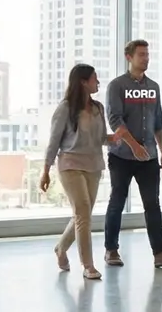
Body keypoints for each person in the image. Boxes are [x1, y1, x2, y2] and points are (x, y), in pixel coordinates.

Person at [103, 39, 162, 268]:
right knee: (117, 201)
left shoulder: (153, 87)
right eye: (141, 55)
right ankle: (111, 250)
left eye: (147, 54)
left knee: (152, 204)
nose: (146, 58)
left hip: (148, 157)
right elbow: (115, 119)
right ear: (129, 57)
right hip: (122, 156)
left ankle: (160, 253)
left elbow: (158, 122)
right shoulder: (117, 86)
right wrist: (133, 145)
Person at [41, 64, 118, 280]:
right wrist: (45, 170)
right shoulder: (65, 108)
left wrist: (117, 138)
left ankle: (60, 248)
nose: (98, 82)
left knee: (82, 215)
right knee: (83, 212)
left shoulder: (98, 108)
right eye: (95, 78)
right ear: (83, 82)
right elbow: (54, 141)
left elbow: (102, 139)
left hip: (93, 166)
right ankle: (88, 265)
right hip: (70, 165)